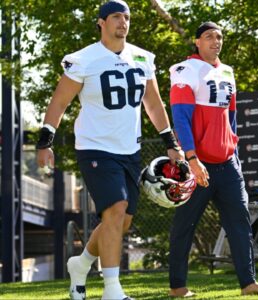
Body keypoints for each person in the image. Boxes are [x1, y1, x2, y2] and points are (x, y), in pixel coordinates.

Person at [36, 1, 184, 299]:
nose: (123, 23)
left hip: (129, 149)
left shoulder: (142, 58)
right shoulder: (83, 59)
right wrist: (45, 141)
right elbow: (60, 102)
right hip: (95, 148)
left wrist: (171, 143)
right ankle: (112, 290)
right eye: (116, 17)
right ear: (102, 22)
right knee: (115, 210)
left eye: (127, 18)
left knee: (121, 221)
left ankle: (81, 264)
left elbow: (153, 104)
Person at [168, 21, 258, 297]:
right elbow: (180, 118)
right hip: (198, 165)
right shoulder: (185, 70)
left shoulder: (228, 72)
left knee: (240, 223)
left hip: (228, 164)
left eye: (219, 37)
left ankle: (248, 283)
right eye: (209, 37)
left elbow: (232, 120)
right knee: (185, 225)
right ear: (197, 42)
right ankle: (177, 287)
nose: (215, 42)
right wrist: (192, 159)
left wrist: (235, 156)